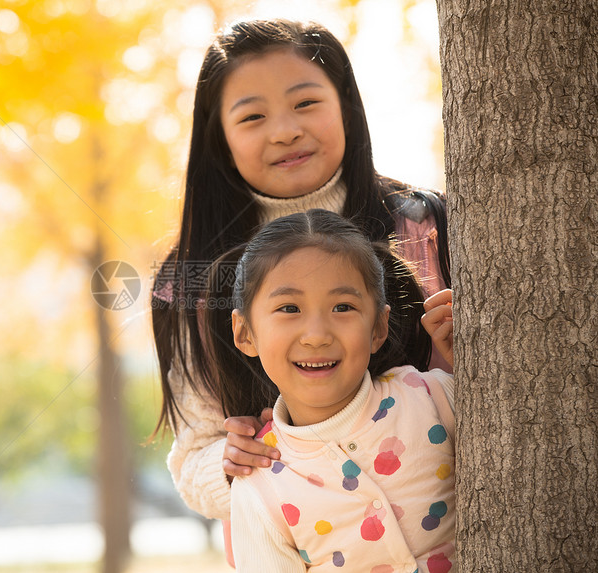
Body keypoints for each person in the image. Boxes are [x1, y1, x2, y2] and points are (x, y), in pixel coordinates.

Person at [150, 18, 451, 525]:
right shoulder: (190, 281)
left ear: (347, 111)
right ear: (219, 139)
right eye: (251, 117)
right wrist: (230, 466)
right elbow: (194, 455)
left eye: (306, 103)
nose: (285, 130)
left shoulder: (424, 225)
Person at [205, 209, 455, 571]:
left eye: (343, 307)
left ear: (378, 328)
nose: (317, 335)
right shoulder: (260, 487)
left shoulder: (432, 399)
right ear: (245, 333)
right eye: (289, 308)